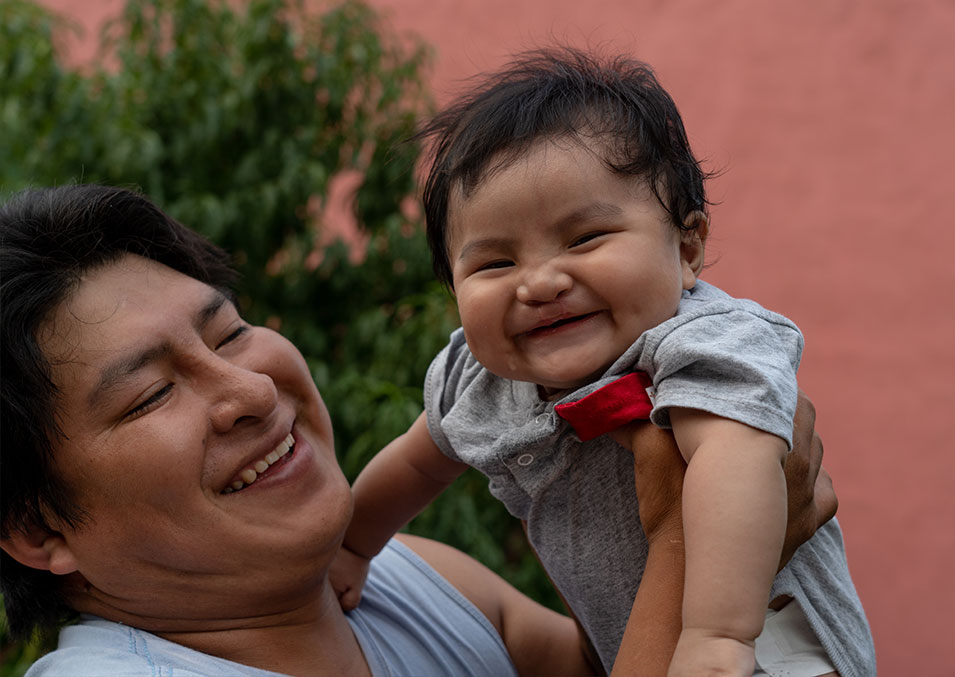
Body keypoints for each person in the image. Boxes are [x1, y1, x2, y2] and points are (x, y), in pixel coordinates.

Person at [0, 184, 837, 676]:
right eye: (149, 395)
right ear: (40, 526)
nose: (250, 389)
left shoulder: (408, 577)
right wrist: (685, 540)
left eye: (228, 332)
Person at [332, 49, 876, 676]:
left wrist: (716, 636)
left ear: (688, 247)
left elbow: (739, 461)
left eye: (585, 238)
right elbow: (414, 464)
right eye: (493, 264)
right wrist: (352, 547)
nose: (537, 283)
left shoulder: (703, 340)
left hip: (770, 644)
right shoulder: (479, 384)